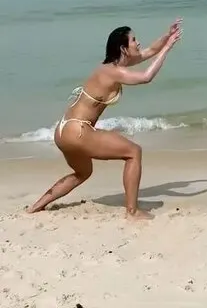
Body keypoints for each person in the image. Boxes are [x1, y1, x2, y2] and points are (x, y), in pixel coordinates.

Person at [26, 19, 182, 220]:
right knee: (134, 152)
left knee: (82, 173)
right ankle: (132, 212)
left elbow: (150, 51)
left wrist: (168, 37)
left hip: (63, 130)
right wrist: (167, 49)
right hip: (79, 130)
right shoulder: (114, 72)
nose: (138, 43)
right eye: (134, 40)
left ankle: (35, 207)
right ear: (123, 49)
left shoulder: (110, 67)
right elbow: (146, 77)